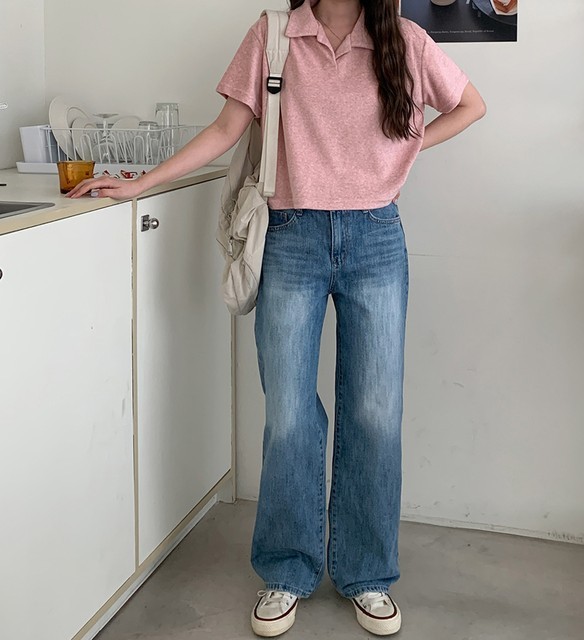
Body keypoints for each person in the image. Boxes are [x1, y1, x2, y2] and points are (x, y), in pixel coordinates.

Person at [68, 0, 486, 636]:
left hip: (376, 238)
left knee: (375, 411)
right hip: (290, 237)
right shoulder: (274, 34)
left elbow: (469, 105)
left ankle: (367, 574)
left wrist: (402, 149)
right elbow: (225, 130)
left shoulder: (404, 39)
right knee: (289, 413)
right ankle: (288, 570)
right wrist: (138, 184)